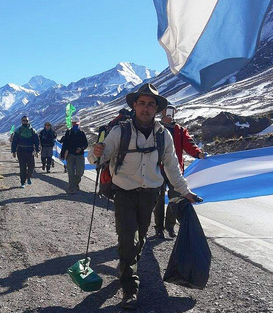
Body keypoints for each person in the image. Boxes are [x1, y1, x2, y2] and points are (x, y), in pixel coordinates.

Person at [88, 83, 199, 310]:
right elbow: (98, 159)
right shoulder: (120, 131)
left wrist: (184, 191)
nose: (145, 108)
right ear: (135, 106)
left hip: (151, 194)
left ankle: (127, 264)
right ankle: (130, 288)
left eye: (150, 104)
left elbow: (172, 167)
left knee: (140, 239)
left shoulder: (163, 135)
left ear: (156, 109)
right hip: (124, 194)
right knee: (128, 237)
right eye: (142, 103)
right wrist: (95, 152)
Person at [154, 105, 205, 239]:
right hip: (157, 169)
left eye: (172, 110)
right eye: (167, 110)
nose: (170, 113)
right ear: (162, 111)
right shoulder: (155, 128)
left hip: (174, 170)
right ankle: (158, 228)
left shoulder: (180, 130)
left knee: (175, 199)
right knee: (157, 200)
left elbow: (189, 144)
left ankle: (170, 227)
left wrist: (198, 154)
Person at [61, 116, 88, 194]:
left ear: (79, 124)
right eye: (73, 123)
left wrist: (81, 148)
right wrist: (63, 154)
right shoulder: (68, 133)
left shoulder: (82, 133)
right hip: (70, 155)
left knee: (80, 172)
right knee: (71, 172)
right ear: (72, 124)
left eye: (76, 123)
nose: (75, 125)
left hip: (80, 155)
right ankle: (71, 188)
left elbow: (86, 144)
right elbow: (65, 144)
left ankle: (75, 183)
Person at [11, 116, 40, 187]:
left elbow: (37, 142)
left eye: (26, 121)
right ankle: (22, 182)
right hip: (21, 151)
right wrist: (13, 151)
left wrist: (37, 151)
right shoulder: (18, 131)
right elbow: (14, 142)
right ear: (21, 121)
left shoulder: (33, 131)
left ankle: (28, 177)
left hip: (30, 151)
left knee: (31, 167)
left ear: (28, 121)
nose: (25, 122)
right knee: (22, 167)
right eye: (24, 121)